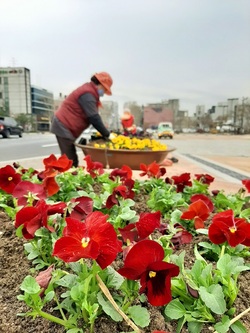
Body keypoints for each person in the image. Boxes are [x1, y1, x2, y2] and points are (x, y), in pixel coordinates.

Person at [51, 72, 115, 167]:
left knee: (70, 159)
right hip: (63, 125)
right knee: (70, 161)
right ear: (100, 84)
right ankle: (65, 178)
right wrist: (107, 134)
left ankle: (67, 174)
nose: (103, 93)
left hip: (65, 125)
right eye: (104, 89)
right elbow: (94, 117)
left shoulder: (89, 91)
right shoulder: (88, 94)